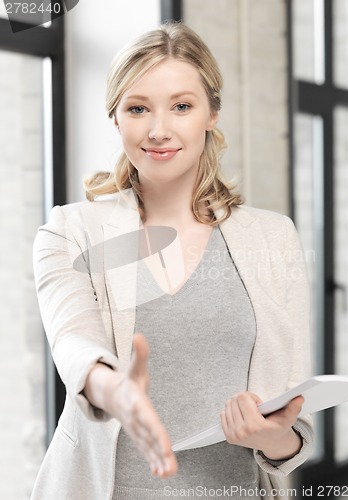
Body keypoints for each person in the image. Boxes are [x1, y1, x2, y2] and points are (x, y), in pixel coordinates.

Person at [31, 21, 313, 500]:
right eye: (138, 108)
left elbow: (294, 428)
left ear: (211, 114)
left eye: (182, 106)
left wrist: (272, 437)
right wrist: (114, 390)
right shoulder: (69, 231)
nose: (159, 130)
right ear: (116, 117)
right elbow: (73, 343)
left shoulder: (274, 238)